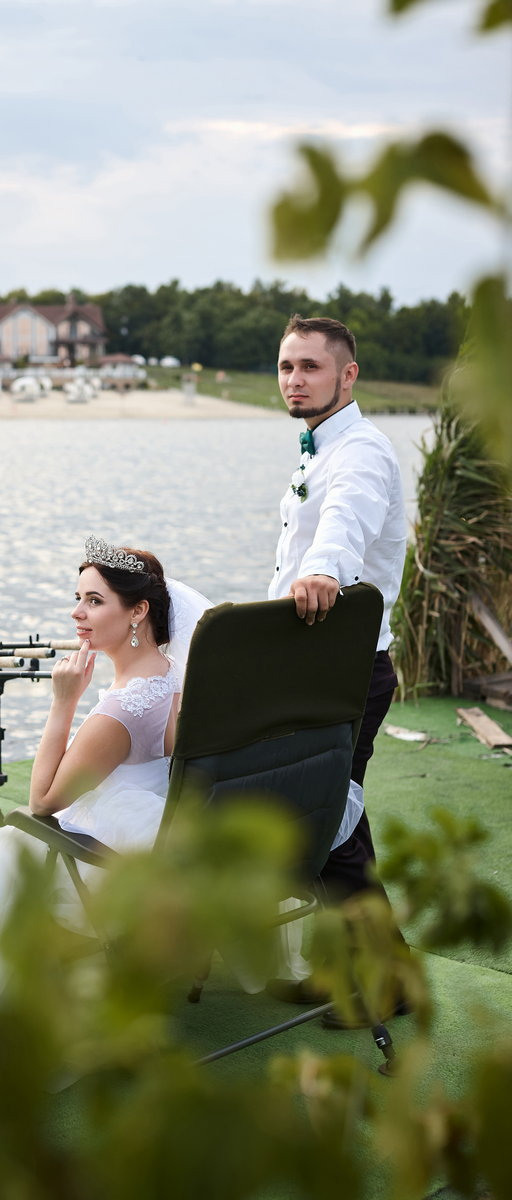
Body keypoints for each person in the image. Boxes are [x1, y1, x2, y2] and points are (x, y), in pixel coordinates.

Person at [0, 537, 212, 1019]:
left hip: (105, 860)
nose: (77, 612)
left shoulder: (123, 710)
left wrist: (64, 701)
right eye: (78, 598)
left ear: (138, 612)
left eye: (95, 601)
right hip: (158, 836)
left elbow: (44, 801)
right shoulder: (173, 676)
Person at [267, 314, 410, 1022]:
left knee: (328, 821)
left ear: (347, 375)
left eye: (310, 367)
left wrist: (325, 571)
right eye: (286, 366)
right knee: (329, 817)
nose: (294, 380)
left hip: (346, 672)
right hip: (309, 668)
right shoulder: (317, 446)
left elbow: (344, 523)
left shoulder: (362, 453)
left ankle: (389, 982)